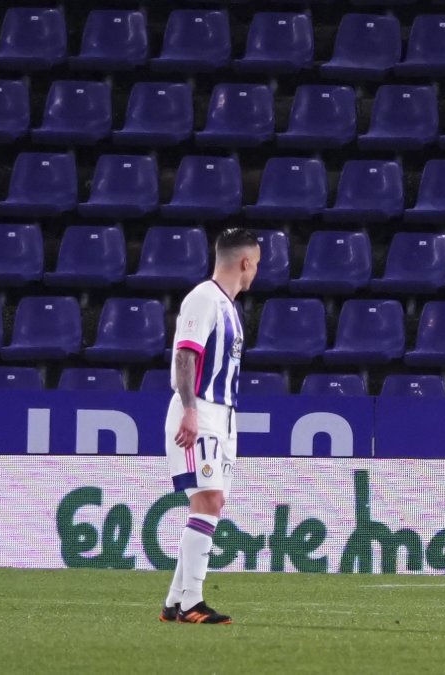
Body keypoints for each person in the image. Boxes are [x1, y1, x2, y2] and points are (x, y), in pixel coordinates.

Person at [159, 228, 260, 625]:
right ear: (245, 262)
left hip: (223, 414)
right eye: (256, 265)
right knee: (208, 501)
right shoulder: (203, 297)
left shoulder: (228, 307)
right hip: (200, 409)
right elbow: (186, 355)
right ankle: (192, 603)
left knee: (211, 504)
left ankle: (173, 602)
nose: (255, 273)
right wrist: (189, 409)